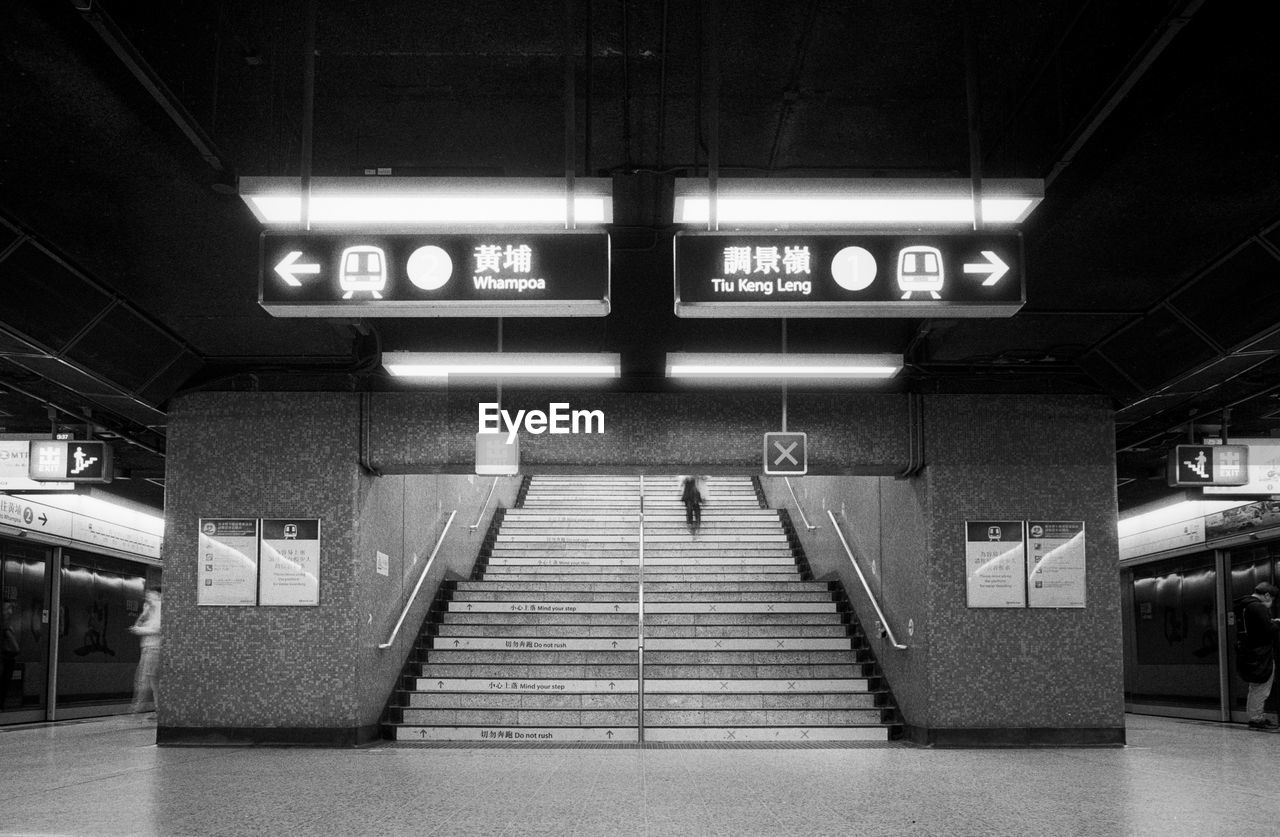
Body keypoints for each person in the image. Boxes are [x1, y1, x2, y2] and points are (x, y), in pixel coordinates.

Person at [1235, 581, 1280, 731]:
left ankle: (1255, 716)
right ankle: (1256, 718)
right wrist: (1276, 624)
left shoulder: (1244, 605)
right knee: (1262, 687)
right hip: (1261, 654)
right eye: (1272, 600)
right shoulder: (1257, 606)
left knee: (1255, 687)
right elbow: (1268, 629)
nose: (1271, 604)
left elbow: (1256, 627)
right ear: (1267, 595)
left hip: (1249, 652)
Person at [128, 588, 162, 714]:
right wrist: (144, 613)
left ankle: (138, 706)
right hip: (147, 648)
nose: (148, 598)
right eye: (147, 596)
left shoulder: (161, 609)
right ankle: (153, 708)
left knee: (148, 679)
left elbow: (159, 629)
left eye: (151, 595)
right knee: (150, 680)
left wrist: (141, 630)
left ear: (158, 595)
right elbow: (137, 624)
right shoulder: (149, 610)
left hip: (154, 649)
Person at [2, 602, 19, 710]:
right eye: (8, 608)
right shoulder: (5, 627)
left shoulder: (7, 625)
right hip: (4, 658)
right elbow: (15, 647)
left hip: (8, 659)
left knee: (5, 686)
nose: (10, 612)